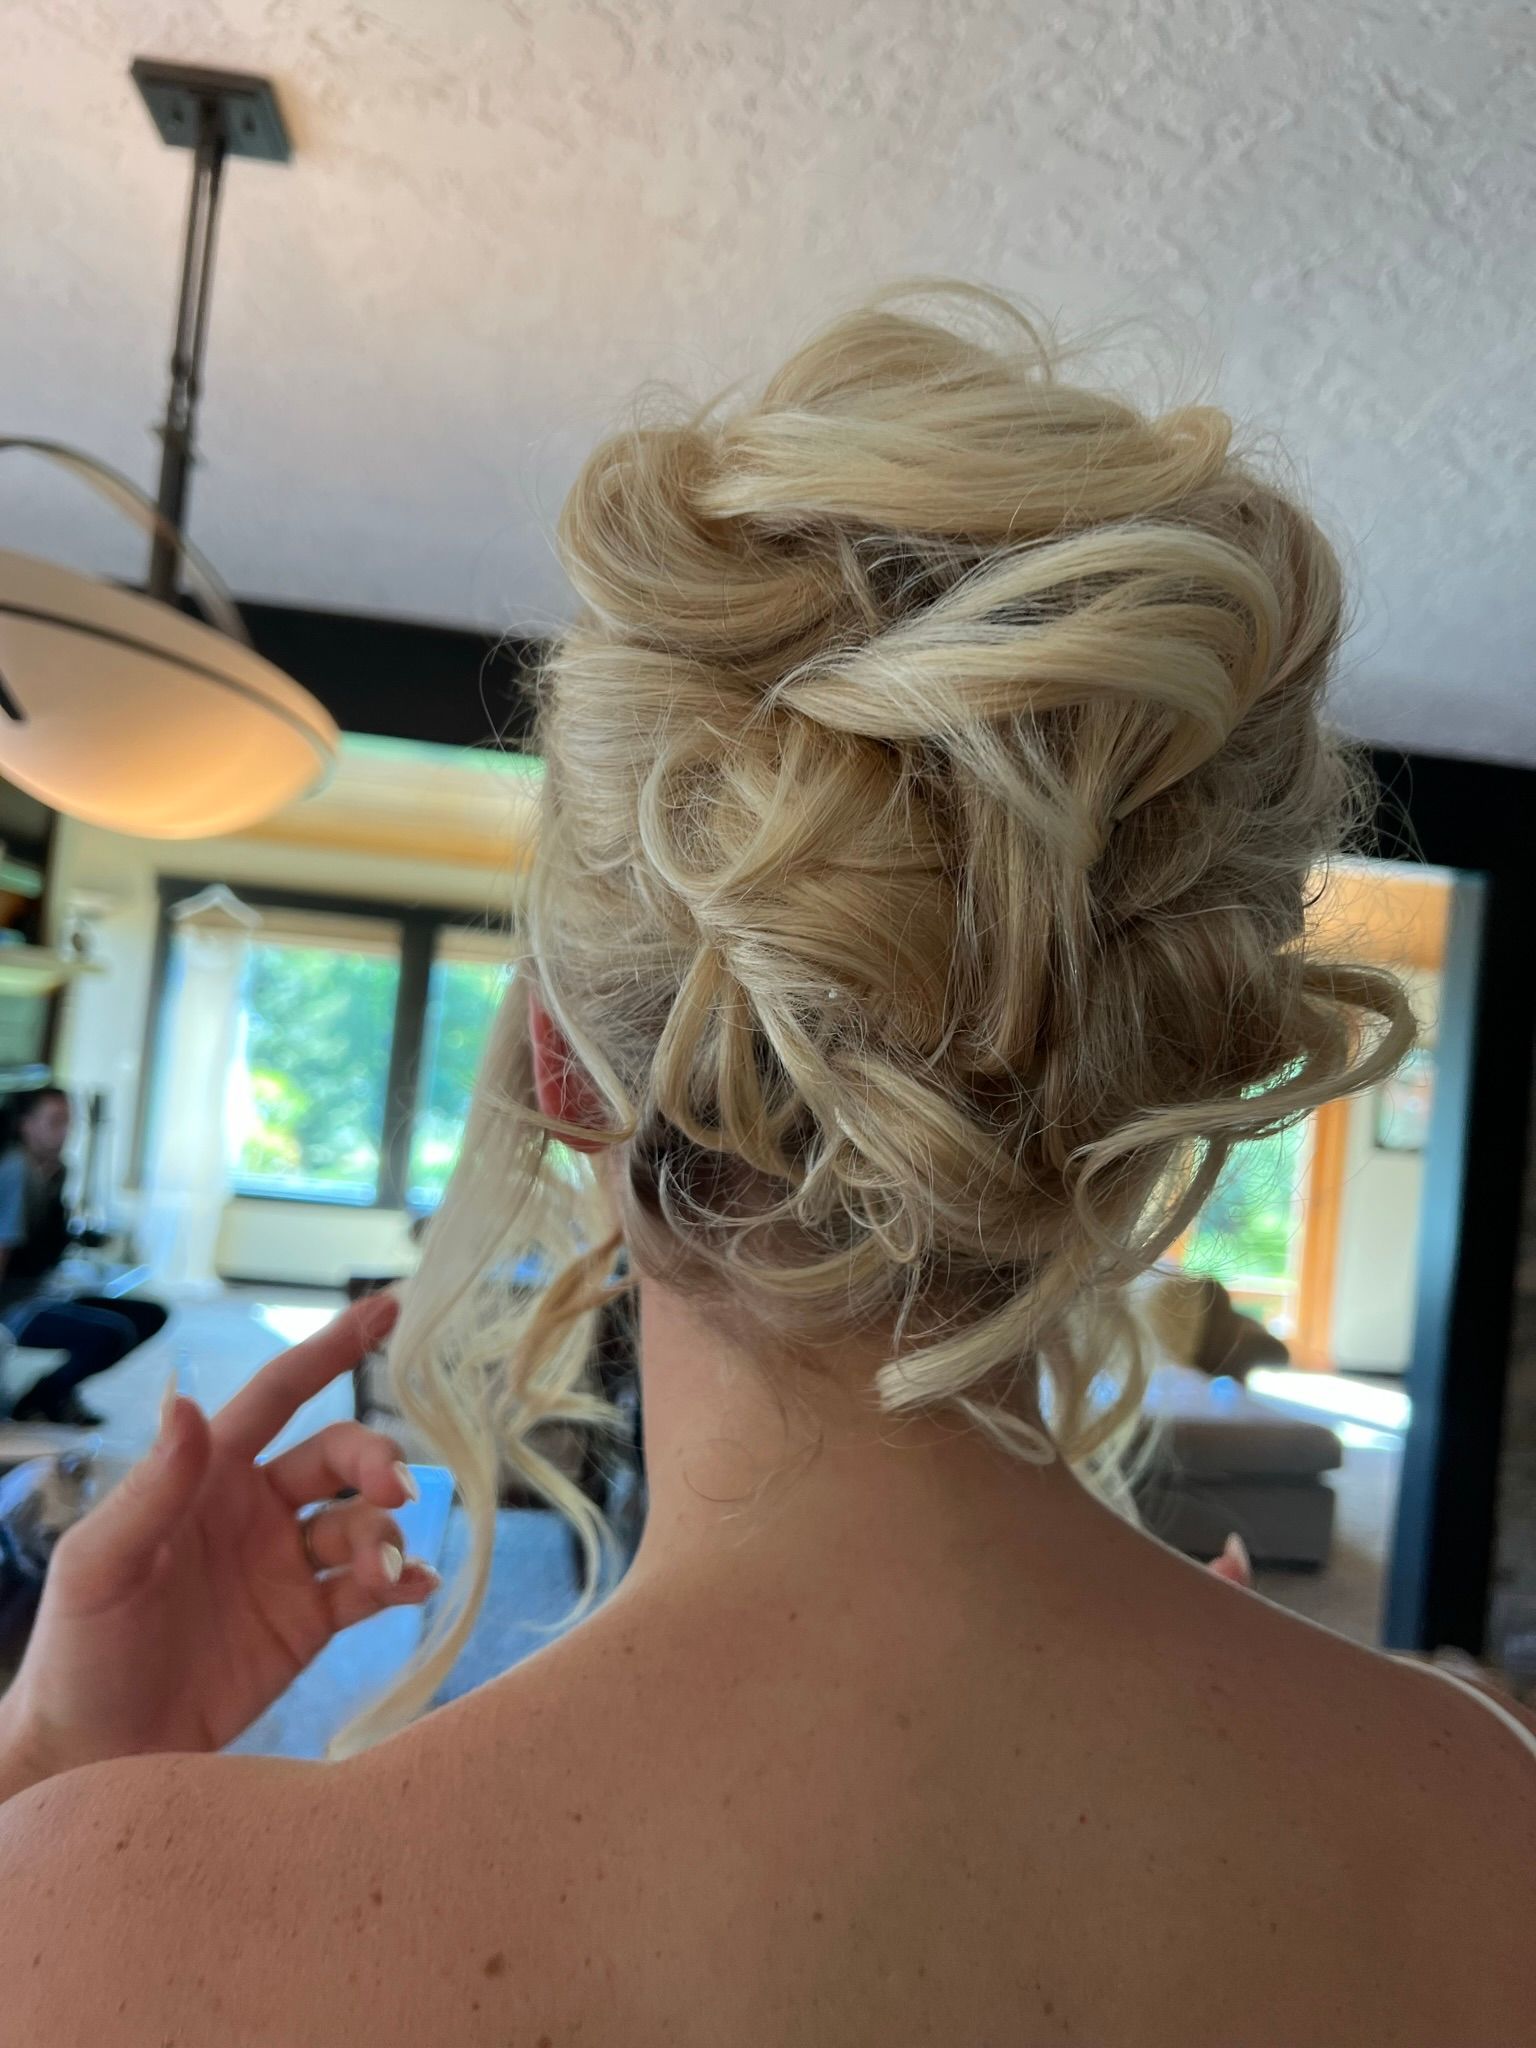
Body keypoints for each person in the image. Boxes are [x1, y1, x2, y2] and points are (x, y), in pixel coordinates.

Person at [0, 284, 1532, 2045]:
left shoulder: (112, 1928)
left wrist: (49, 1765)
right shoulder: (1488, 1822)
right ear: (1161, 1095)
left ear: (562, 1069)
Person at [0, 1087, 170, 1426]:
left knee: (150, 1314)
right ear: (25, 1125)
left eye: (69, 1122)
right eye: (55, 1121)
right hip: (14, 1304)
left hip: (45, 1290)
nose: (65, 1132)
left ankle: (52, 1396)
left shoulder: (58, 1170)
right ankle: (40, 1399)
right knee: (113, 1333)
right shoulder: (14, 1171)